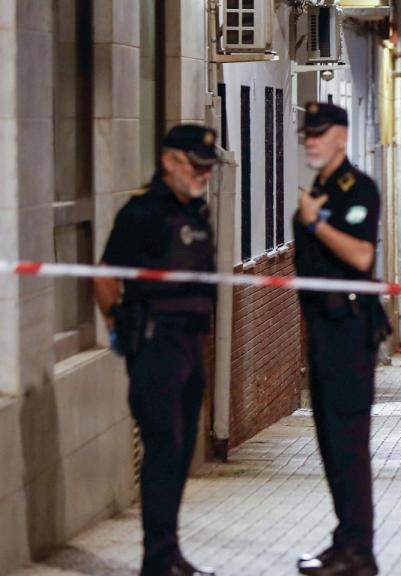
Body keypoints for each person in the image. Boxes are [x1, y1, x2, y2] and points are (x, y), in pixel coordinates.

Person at [94, 124, 220, 576]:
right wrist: (118, 327)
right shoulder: (143, 212)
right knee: (163, 446)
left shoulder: (197, 212)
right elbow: (105, 275)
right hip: (155, 345)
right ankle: (157, 559)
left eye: (209, 168)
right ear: (169, 161)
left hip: (190, 344)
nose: (204, 175)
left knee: (180, 450)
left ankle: (168, 552)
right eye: (196, 166)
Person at [292, 102, 389, 576]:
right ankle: (345, 540)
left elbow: (360, 255)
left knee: (348, 442)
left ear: (341, 136)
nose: (309, 140)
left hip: (350, 332)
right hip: (324, 330)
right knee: (331, 442)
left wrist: (314, 223)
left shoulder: (358, 189)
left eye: (318, 133)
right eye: (306, 133)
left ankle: (359, 550)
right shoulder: (322, 188)